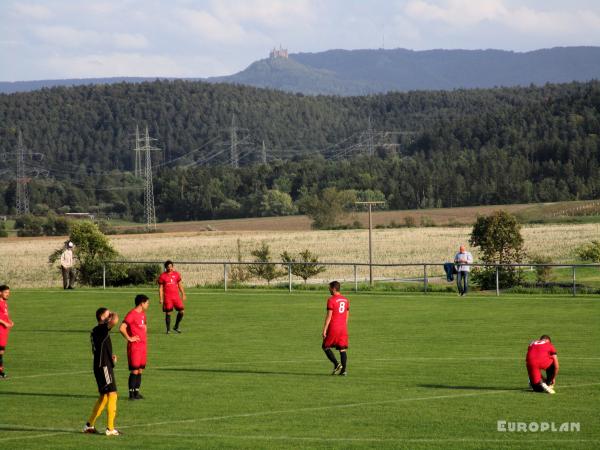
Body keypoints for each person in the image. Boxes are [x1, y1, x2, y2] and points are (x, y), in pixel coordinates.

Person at [83, 307, 121, 436]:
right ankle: (110, 428)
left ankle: (89, 425)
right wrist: (113, 313)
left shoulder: (96, 330)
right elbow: (115, 320)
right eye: (107, 314)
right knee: (113, 394)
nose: (110, 315)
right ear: (102, 317)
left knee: (104, 396)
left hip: (101, 365)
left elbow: (100, 348)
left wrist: (110, 357)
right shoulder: (101, 328)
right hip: (103, 366)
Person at [120, 294, 149, 400]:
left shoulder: (143, 314)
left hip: (143, 346)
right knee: (135, 370)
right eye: (147, 303)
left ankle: (137, 392)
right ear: (142, 303)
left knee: (140, 370)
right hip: (135, 347)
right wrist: (129, 338)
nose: (148, 305)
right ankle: (131, 394)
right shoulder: (131, 314)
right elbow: (122, 328)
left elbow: (144, 326)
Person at [322, 281, 349, 376]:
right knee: (342, 348)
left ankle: (337, 364)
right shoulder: (346, 300)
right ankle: (344, 371)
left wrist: (324, 329)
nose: (328, 289)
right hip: (343, 327)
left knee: (325, 346)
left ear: (334, 288)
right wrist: (343, 325)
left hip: (334, 327)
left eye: (329, 288)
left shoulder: (331, 300)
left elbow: (329, 316)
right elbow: (346, 315)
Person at [157, 260, 186, 334]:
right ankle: (168, 330)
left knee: (182, 311)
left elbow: (180, 285)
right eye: (168, 267)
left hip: (176, 297)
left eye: (171, 266)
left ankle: (176, 326)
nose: (170, 268)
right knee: (168, 313)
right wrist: (161, 298)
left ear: (173, 266)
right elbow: (160, 288)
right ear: (166, 267)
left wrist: (183, 294)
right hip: (168, 298)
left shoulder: (176, 274)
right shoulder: (162, 276)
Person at [0, 285, 14, 379]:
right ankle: (0, 372)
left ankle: (0, 372)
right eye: (6, 292)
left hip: (4, 331)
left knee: (1, 352)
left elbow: (5, 315)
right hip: (0, 330)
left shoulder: (4, 303)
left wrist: (9, 321)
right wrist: (4, 323)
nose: (8, 294)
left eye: (8, 293)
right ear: (0, 293)